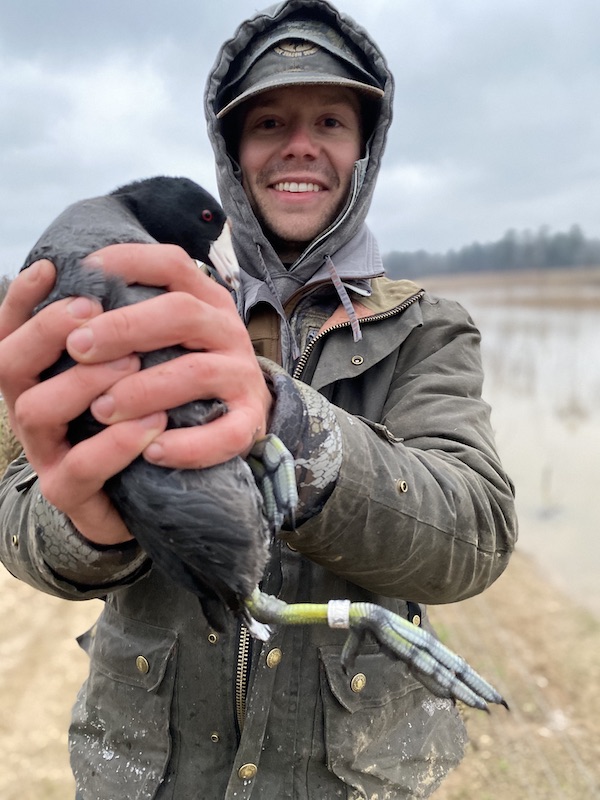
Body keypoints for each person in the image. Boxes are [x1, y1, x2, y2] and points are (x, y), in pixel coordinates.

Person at [0, 1, 517, 798]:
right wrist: (88, 529)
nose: (300, 145)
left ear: (365, 152)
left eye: (332, 122)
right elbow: (17, 513)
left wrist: (285, 423)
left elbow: (476, 533)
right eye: (269, 121)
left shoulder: (428, 329)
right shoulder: (119, 300)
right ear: (233, 153)